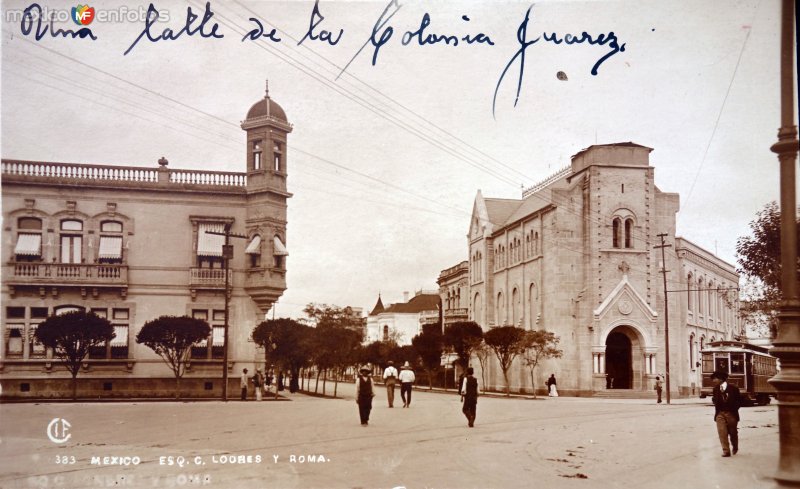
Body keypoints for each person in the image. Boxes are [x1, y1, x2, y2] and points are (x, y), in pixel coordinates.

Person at [711, 370, 742, 457]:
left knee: (733, 433)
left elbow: (739, 401)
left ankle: (735, 446)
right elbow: (715, 400)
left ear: (721, 379)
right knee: (722, 432)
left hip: (731, 414)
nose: (713, 381)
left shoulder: (734, 388)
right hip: (720, 414)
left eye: (715, 379)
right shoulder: (715, 389)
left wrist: (733, 409)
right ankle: (726, 451)